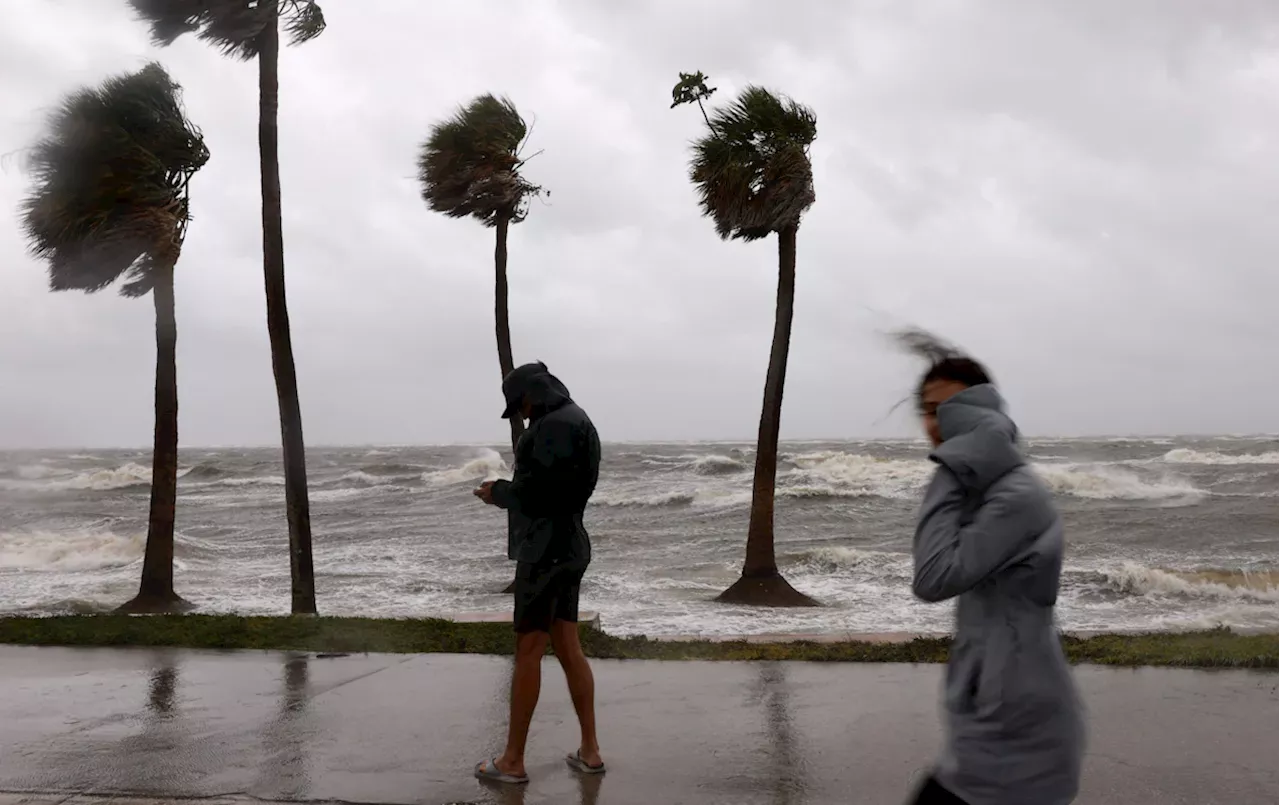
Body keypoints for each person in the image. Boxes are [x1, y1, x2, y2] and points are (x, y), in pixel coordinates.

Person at [907, 355, 1085, 805]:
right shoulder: (984, 490)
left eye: (949, 410)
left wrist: (949, 466)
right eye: (928, 411)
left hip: (1021, 726)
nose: (936, 425)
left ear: (983, 416)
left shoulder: (1017, 496)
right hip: (990, 716)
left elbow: (932, 577)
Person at [472, 361, 605, 785]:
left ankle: (512, 761)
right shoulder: (579, 419)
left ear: (531, 393)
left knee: (528, 650)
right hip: (571, 543)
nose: (522, 414)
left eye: (521, 405)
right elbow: (564, 488)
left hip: (545, 551)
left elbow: (536, 494)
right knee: (567, 645)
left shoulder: (551, 427)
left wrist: (498, 493)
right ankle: (590, 750)